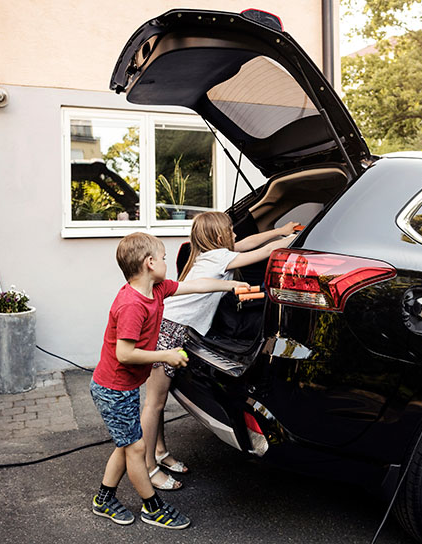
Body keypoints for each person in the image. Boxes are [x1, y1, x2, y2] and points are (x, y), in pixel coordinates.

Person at [89, 232, 249, 530]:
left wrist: (230, 284)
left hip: (122, 388)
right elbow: (124, 353)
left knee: (126, 446)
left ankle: (104, 498)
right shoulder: (132, 305)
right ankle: (153, 507)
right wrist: (166, 355)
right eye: (163, 258)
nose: (166, 262)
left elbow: (195, 285)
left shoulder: (158, 289)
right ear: (149, 263)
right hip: (112, 389)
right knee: (135, 449)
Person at [141, 212, 298, 490]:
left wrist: (279, 230)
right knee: (154, 404)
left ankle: (160, 453)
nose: (235, 235)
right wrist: (293, 239)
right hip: (168, 331)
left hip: (172, 329)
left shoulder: (210, 253)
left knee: (159, 402)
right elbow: (261, 252)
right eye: (230, 232)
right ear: (218, 237)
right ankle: (149, 468)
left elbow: (249, 242)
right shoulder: (218, 258)